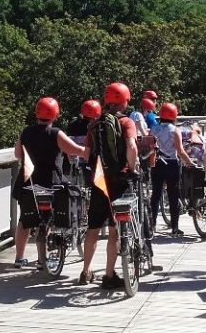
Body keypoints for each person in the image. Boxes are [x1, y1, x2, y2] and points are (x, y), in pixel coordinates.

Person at [13, 97, 89, 269]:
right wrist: (89, 152)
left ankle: (19, 257)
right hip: (50, 182)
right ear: (55, 114)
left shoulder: (26, 132)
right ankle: (44, 257)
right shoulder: (55, 133)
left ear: (36, 113)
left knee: (25, 219)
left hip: (28, 182)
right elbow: (74, 150)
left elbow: (18, 154)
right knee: (48, 216)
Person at [78, 82, 139, 289]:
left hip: (98, 180)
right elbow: (132, 146)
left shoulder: (94, 124)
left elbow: (86, 154)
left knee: (93, 228)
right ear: (125, 100)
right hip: (118, 180)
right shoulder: (126, 122)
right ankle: (109, 275)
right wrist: (132, 168)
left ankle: (86, 271)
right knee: (114, 229)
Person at [149, 102, 194, 237]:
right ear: (174, 115)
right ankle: (174, 227)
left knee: (156, 195)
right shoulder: (175, 130)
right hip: (172, 164)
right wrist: (190, 162)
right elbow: (179, 150)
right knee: (173, 195)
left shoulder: (153, 129)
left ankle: (152, 225)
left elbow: (151, 148)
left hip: (157, 163)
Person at [65, 99, 101, 183]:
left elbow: (68, 144)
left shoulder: (73, 124)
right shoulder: (96, 126)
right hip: (91, 162)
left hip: (74, 162)